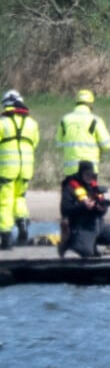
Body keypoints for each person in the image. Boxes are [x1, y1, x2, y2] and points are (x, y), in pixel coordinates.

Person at [58, 160, 110, 258]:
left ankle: (92, 242)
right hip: (80, 225)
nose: (89, 177)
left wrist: (101, 208)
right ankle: (69, 243)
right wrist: (83, 206)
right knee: (86, 252)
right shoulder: (70, 187)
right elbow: (65, 209)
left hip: (97, 224)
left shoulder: (95, 187)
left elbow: (102, 210)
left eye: (92, 175)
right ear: (81, 173)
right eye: (87, 174)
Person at [0, 90, 39, 249]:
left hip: (7, 168)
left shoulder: (2, 122)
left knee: (5, 202)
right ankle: (22, 224)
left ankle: (6, 238)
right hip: (26, 168)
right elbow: (34, 143)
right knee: (20, 198)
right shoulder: (32, 123)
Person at [55, 89, 110, 176]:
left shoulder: (65, 120)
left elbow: (58, 145)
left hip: (70, 169)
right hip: (90, 168)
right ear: (90, 104)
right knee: (88, 190)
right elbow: (107, 145)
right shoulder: (95, 120)